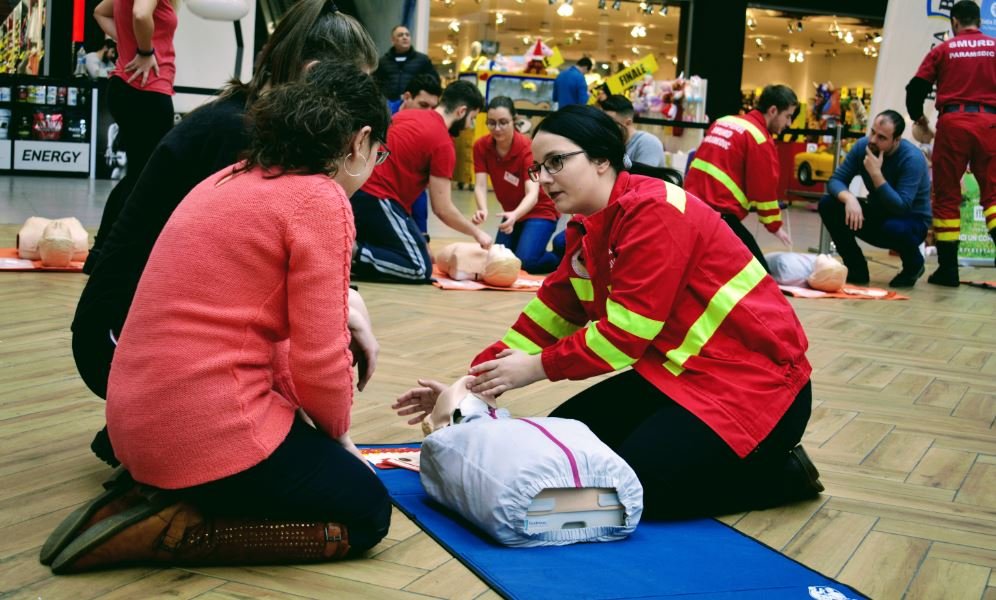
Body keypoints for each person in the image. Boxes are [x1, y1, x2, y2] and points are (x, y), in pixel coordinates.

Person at [43, 60, 392, 574]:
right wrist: (338, 437)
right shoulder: (320, 197)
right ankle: (175, 531)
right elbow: (320, 356)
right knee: (366, 511)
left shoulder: (233, 175)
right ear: (360, 140)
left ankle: (158, 494)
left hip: (133, 423)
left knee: (306, 462)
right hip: (203, 426)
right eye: (378, 154)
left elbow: (273, 342)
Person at [395, 105, 822, 520]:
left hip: (757, 386)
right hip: (676, 375)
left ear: (602, 159)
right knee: (563, 443)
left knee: (636, 489)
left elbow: (625, 334)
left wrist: (535, 369)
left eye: (556, 162)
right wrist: (470, 384)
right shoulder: (589, 226)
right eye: (538, 167)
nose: (543, 178)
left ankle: (783, 476)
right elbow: (550, 315)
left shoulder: (654, 212)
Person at [73, 0, 380, 466]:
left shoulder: (241, 121)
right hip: (120, 338)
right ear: (317, 74)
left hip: (123, 333)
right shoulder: (247, 138)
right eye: (354, 88)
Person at [351, 79, 491, 283]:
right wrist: (477, 233)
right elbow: (442, 208)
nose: (469, 127)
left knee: (411, 251)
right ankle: (352, 252)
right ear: (461, 111)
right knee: (418, 266)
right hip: (378, 197)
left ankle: (356, 253)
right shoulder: (443, 143)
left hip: (357, 189)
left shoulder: (408, 114)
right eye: (472, 119)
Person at [906, 0, 996, 285]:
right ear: (978, 22)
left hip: (953, 125)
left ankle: (948, 271)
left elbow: (915, 88)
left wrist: (919, 118)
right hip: (990, 125)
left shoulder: (943, 50)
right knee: (994, 197)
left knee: (947, 198)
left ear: (955, 22)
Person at [88, 0, 180, 267]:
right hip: (146, 90)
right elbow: (140, 14)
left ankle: (105, 249)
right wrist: (143, 49)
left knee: (140, 174)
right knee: (147, 175)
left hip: (129, 88)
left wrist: (127, 40)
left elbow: (100, 12)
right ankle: (112, 249)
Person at [684, 84, 797, 273]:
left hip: (691, 207)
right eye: (788, 116)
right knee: (760, 276)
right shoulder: (759, 138)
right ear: (773, 110)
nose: (789, 124)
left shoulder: (724, 121)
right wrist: (775, 226)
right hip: (719, 214)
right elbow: (764, 189)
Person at [818, 111, 931, 288]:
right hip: (879, 214)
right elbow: (836, 180)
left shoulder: (912, 159)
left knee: (894, 227)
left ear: (896, 140)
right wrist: (849, 198)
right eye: (872, 132)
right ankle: (856, 267)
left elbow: (901, 206)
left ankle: (913, 265)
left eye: (882, 137)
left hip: (910, 222)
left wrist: (876, 174)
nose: (873, 140)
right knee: (828, 204)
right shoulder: (864, 146)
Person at [471, 96, 560, 273]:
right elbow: (480, 185)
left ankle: (563, 258)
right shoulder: (481, 146)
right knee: (498, 261)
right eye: (491, 123)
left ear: (515, 120)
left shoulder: (529, 149)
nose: (497, 129)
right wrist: (482, 208)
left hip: (540, 210)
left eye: (503, 122)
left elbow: (533, 194)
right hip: (511, 213)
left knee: (526, 262)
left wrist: (514, 215)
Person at [390, 74, 443, 237]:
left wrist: (423, 233)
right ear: (407, 97)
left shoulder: (430, 131)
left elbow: (420, 186)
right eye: (423, 105)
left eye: (432, 108)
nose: (428, 113)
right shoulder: (382, 116)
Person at [374, 24, 440, 102]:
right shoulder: (383, 61)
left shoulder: (422, 60)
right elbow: (375, 84)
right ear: (393, 40)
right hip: (388, 105)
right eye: (400, 35)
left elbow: (434, 82)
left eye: (407, 35)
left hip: (413, 104)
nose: (405, 37)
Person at [600, 94, 666, 168]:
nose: (604, 128)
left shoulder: (648, 143)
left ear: (628, 123)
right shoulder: (611, 144)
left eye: (610, 123)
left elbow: (642, 178)